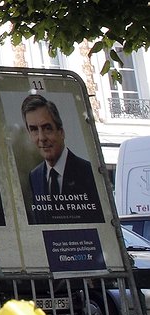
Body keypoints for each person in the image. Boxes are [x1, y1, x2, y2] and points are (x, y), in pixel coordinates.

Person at [21, 94, 102, 224]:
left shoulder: (88, 172)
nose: (41, 138)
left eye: (47, 128)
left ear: (61, 132)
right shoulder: (34, 176)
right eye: (34, 130)